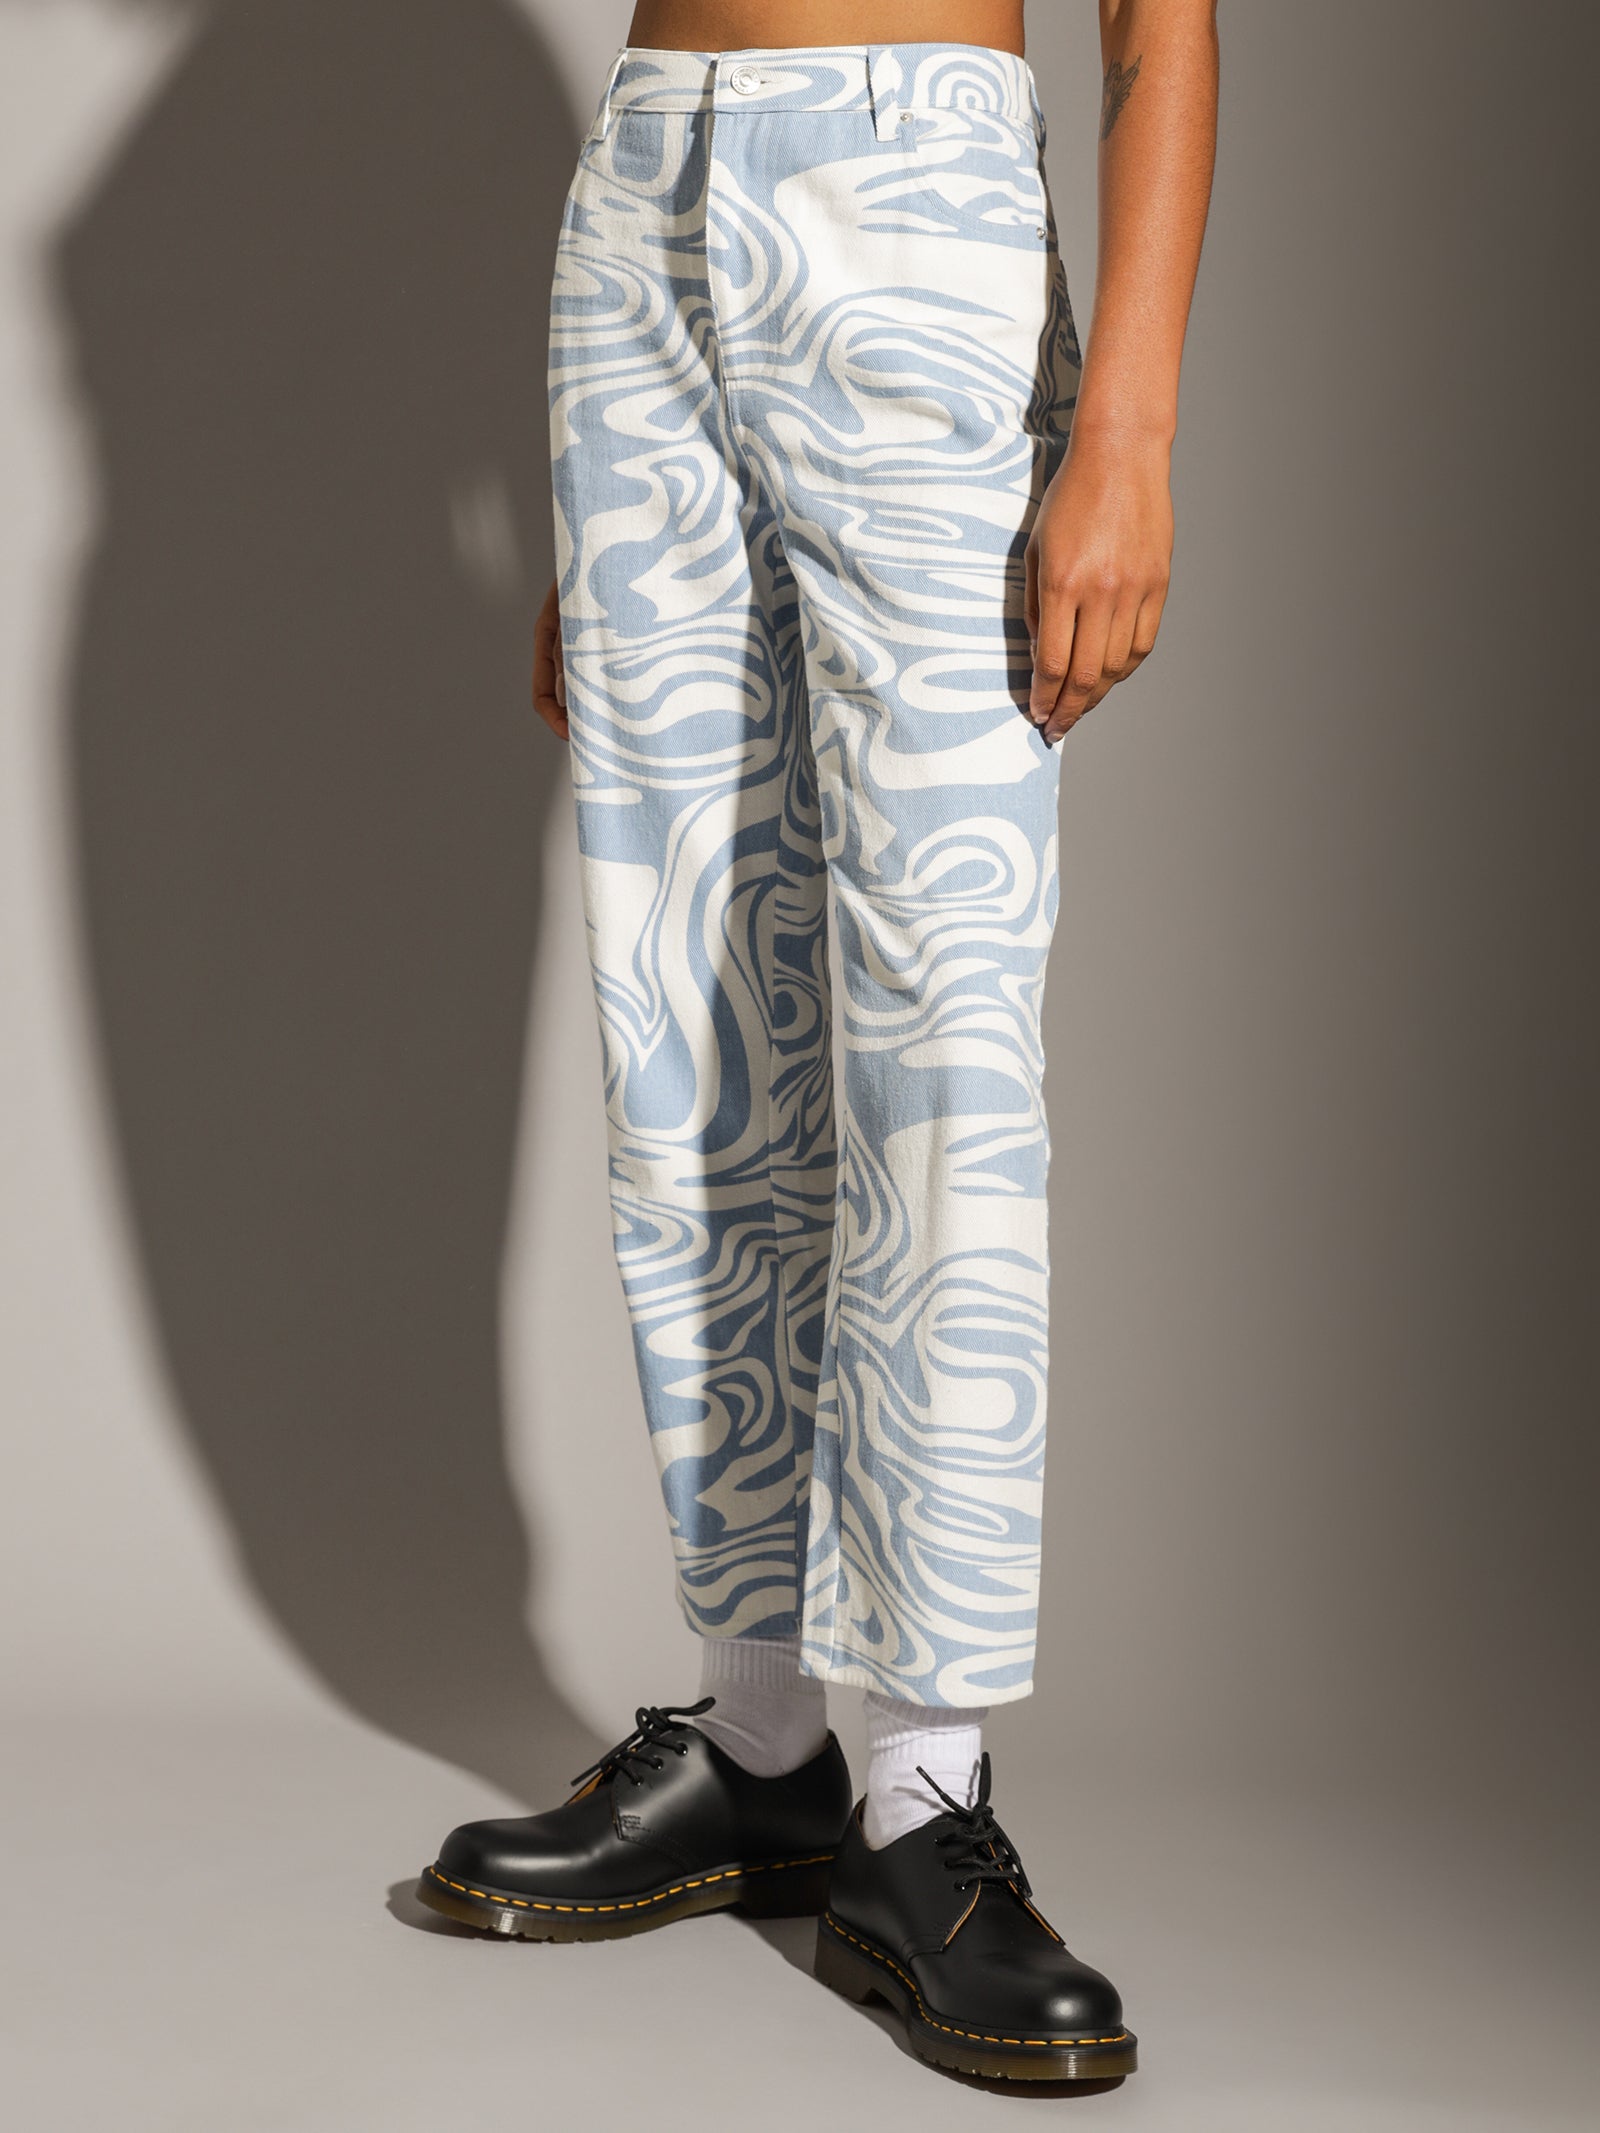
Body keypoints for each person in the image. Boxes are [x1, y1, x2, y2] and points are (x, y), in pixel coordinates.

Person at [418, 0, 1217, 2084]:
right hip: (642, 202)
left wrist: (1125, 430)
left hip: (912, 186)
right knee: (685, 1008)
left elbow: (1161, 18)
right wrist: (592, 520)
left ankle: (922, 1790)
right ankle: (760, 1733)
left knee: (941, 1042)